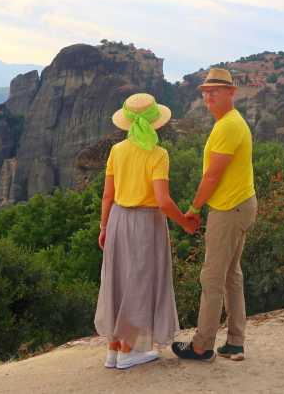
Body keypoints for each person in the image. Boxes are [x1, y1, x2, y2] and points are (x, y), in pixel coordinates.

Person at [94, 93, 198, 370]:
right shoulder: (158, 154)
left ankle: (113, 351)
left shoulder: (117, 151)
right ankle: (129, 351)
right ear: (155, 122)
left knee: (117, 280)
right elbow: (163, 201)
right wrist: (186, 222)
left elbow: (107, 196)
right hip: (145, 223)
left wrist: (104, 227)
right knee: (138, 283)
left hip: (117, 219)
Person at [171, 68, 257, 362]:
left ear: (231, 92)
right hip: (239, 204)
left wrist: (193, 209)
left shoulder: (227, 126)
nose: (208, 96)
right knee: (231, 275)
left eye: (215, 91)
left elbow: (212, 176)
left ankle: (202, 345)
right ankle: (235, 343)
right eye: (205, 91)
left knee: (212, 277)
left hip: (229, 209)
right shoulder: (229, 122)